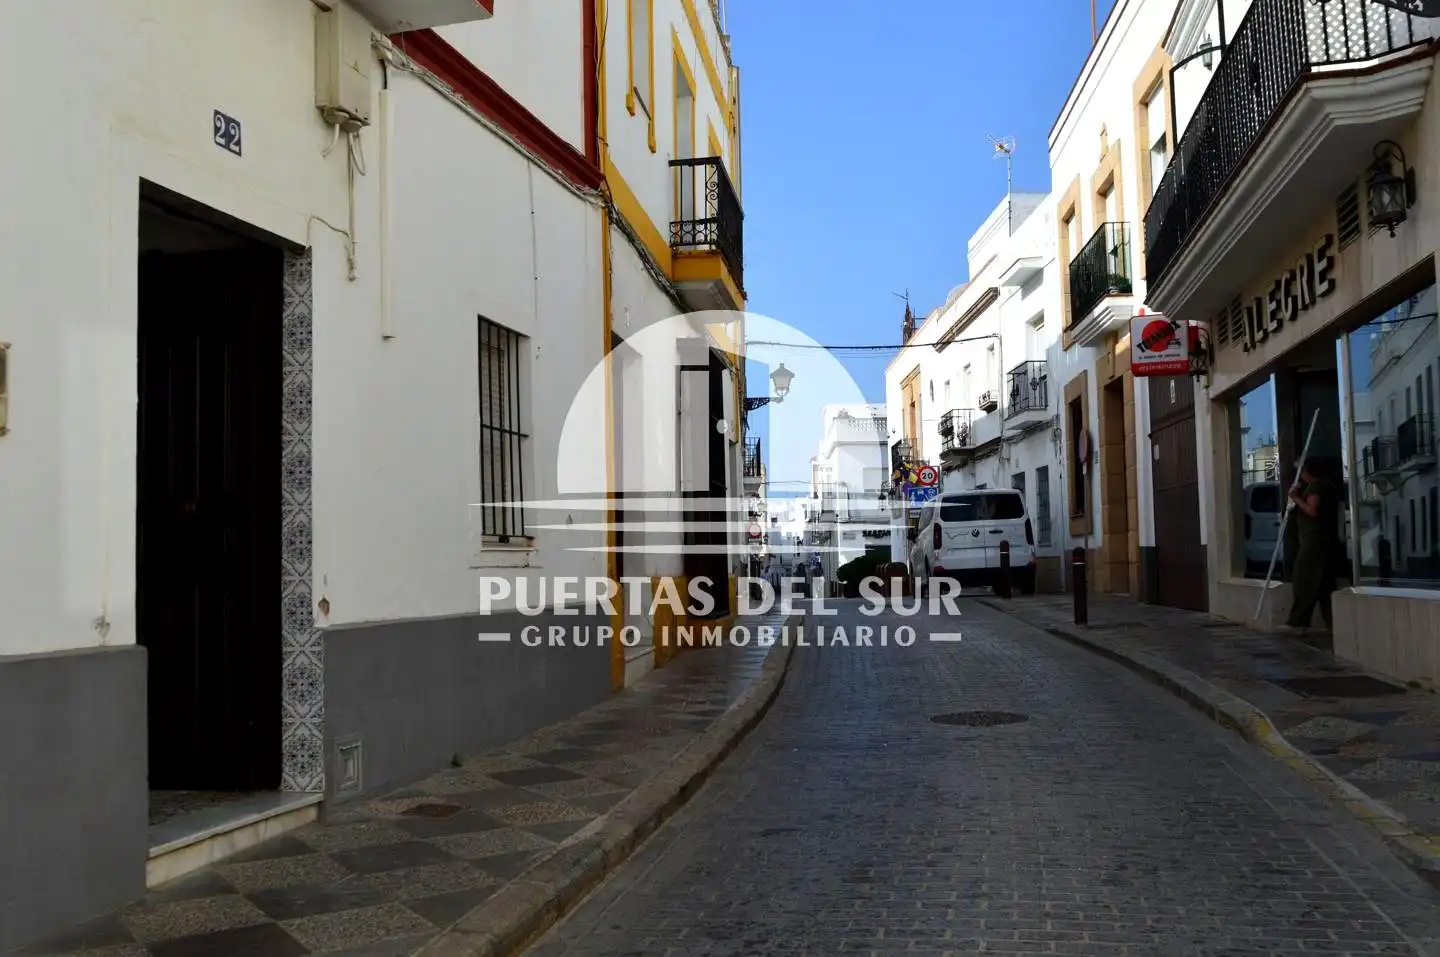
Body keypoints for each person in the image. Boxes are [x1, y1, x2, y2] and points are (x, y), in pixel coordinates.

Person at [1282, 458, 1339, 634]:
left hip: (1313, 541)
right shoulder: (1328, 487)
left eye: (1301, 471)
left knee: (1304, 578)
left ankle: (1298, 621)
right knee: (1323, 583)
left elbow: (1312, 510)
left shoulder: (1316, 486)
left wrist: (1296, 498)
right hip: (1325, 541)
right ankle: (1331, 623)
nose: (1300, 475)